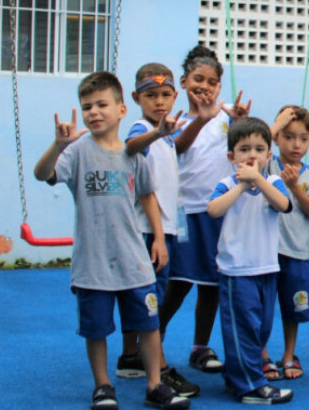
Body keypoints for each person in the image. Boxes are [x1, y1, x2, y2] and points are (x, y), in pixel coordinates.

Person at [33, 71, 190, 410]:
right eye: (87, 106)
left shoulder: (135, 153)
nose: (93, 112)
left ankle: (154, 385)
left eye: (102, 104)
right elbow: (42, 174)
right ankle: (103, 385)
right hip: (93, 264)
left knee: (148, 324)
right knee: (96, 329)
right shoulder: (76, 151)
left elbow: (148, 195)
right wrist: (58, 146)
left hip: (133, 260)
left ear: (121, 110)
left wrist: (159, 238)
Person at [160, 45, 251, 375]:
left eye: (212, 82)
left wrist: (240, 122)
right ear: (184, 82)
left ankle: (200, 346)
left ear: (219, 87)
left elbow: (248, 143)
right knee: (180, 282)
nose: (204, 86)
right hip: (186, 212)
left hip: (220, 211)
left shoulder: (229, 115)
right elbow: (178, 148)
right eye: (198, 79)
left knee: (212, 284)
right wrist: (200, 120)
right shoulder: (175, 120)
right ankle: (153, 340)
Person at [116, 63, 200, 398]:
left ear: (175, 95)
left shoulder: (165, 135)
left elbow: (175, 145)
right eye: (151, 95)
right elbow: (132, 146)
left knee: (148, 296)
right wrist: (160, 237)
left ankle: (131, 356)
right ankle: (159, 369)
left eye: (165, 95)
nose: (159, 101)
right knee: (151, 299)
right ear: (136, 98)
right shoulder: (142, 130)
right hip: (149, 233)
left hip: (162, 228)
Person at [207, 117, 295, 405]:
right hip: (236, 271)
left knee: (262, 327)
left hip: (267, 268)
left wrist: (258, 180)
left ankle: (238, 374)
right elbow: (214, 210)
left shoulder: (273, 182)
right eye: (245, 150)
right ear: (232, 157)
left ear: (269, 155)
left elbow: (283, 205)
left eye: (259, 149)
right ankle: (250, 385)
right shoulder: (226, 184)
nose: (253, 155)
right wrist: (243, 186)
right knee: (242, 327)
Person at [259, 105, 309, 381]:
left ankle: (288, 354)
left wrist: (295, 186)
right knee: (262, 306)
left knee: (293, 307)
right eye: (288, 136)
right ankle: (261, 354)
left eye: (303, 138)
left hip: (296, 252)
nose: (296, 144)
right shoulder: (267, 164)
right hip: (266, 252)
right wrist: (277, 123)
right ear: (277, 138)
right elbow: (256, 150)